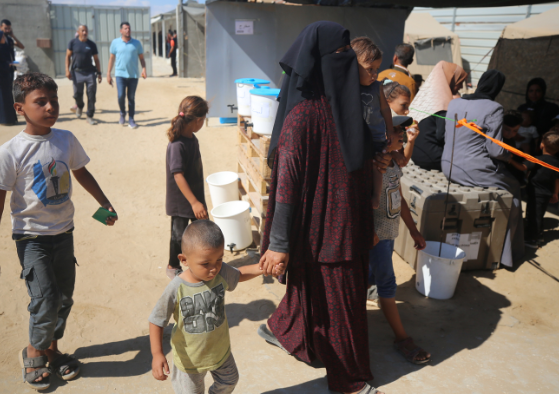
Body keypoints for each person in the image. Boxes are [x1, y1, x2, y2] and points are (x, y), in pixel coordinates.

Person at [257, 21, 390, 394]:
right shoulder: (302, 117)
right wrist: (279, 244)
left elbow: (360, 158)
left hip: (348, 225)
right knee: (342, 308)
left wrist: (376, 162)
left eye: (349, 52)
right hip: (323, 234)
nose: (347, 59)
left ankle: (281, 329)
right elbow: (286, 185)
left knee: (313, 293)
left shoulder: (347, 109)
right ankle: (348, 382)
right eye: (339, 53)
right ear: (318, 61)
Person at [0, 73, 118, 390]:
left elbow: (81, 173)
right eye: (40, 101)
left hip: (64, 234)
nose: (50, 107)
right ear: (20, 108)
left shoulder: (65, 139)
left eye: (53, 100)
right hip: (31, 239)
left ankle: (52, 351)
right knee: (45, 300)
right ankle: (33, 352)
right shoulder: (11, 151)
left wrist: (104, 204)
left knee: (64, 298)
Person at [149, 220, 267, 393]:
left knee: (229, 381)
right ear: (184, 260)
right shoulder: (176, 288)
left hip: (220, 353)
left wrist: (261, 268)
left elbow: (239, 274)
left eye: (219, 259)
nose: (214, 268)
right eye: (205, 264)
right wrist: (157, 354)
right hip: (189, 362)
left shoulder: (221, 273)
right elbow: (156, 320)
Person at [441, 70, 525, 267]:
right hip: (473, 170)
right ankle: (508, 255)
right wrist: (510, 156)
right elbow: (495, 150)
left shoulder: (454, 102)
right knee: (514, 188)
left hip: (448, 165)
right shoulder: (494, 108)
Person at [369, 115, 430, 364]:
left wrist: (413, 231)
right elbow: (365, 199)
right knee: (387, 283)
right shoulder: (376, 165)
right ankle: (402, 338)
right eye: (397, 131)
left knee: (375, 277)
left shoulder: (392, 160)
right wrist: (368, 229)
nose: (402, 135)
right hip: (376, 234)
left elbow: (400, 198)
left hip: (388, 232)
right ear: (382, 136)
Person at [165, 96, 210, 279]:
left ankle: (203, 262)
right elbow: (178, 175)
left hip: (195, 198)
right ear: (198, 120)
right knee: (178, 236)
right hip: (182, 201)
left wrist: (197, 200)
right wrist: (194, 203)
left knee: (203, 231)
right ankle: (173, 265)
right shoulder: (177, 145)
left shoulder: (193, 139)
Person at [351, 36, 394, 209]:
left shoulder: (377, 87)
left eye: (377, 69)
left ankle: (376, 196)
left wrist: (390, 130)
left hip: (375, 137)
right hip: (357, 142)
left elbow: (385, 109)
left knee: (378, 165)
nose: (374, 74)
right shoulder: (348, 87)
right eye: (369, 69)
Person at [523, 131, 559, 247]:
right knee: (538, 215)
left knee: (533, 216)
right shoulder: (558, 164)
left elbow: (523, 168)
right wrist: (555, 193)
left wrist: (510, 160)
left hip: (535, 193)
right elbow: (558, 180)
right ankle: (539, 236)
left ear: (542, 144)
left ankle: (532, 239)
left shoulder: (537, 159)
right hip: (546, 194)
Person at [107, 21, 147, 128]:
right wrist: (108, 73)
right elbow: (111, 59)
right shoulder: (115, 43)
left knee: (131, 98)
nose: (128, 30)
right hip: (120, 74)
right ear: (121, 31)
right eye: (125, 28)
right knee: (121, 96)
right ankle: (122, 113)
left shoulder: (137, 43)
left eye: (129, 28)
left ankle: (131, 119)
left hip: (133, 76)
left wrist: (144, 69)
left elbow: (142, 59)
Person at [66, 25, 101, 125]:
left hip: (90, 73)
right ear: (78, 32)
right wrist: (67, 70)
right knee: (77, 94)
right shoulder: (73, 43)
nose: (85, 32)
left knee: (91, 95)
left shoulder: (92, 44)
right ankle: (80, 106)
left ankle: (89, 116)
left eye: (86, 31)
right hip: (77, 73)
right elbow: (67, 57)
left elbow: (96, 59)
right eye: (82, 31)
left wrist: (99, 73)